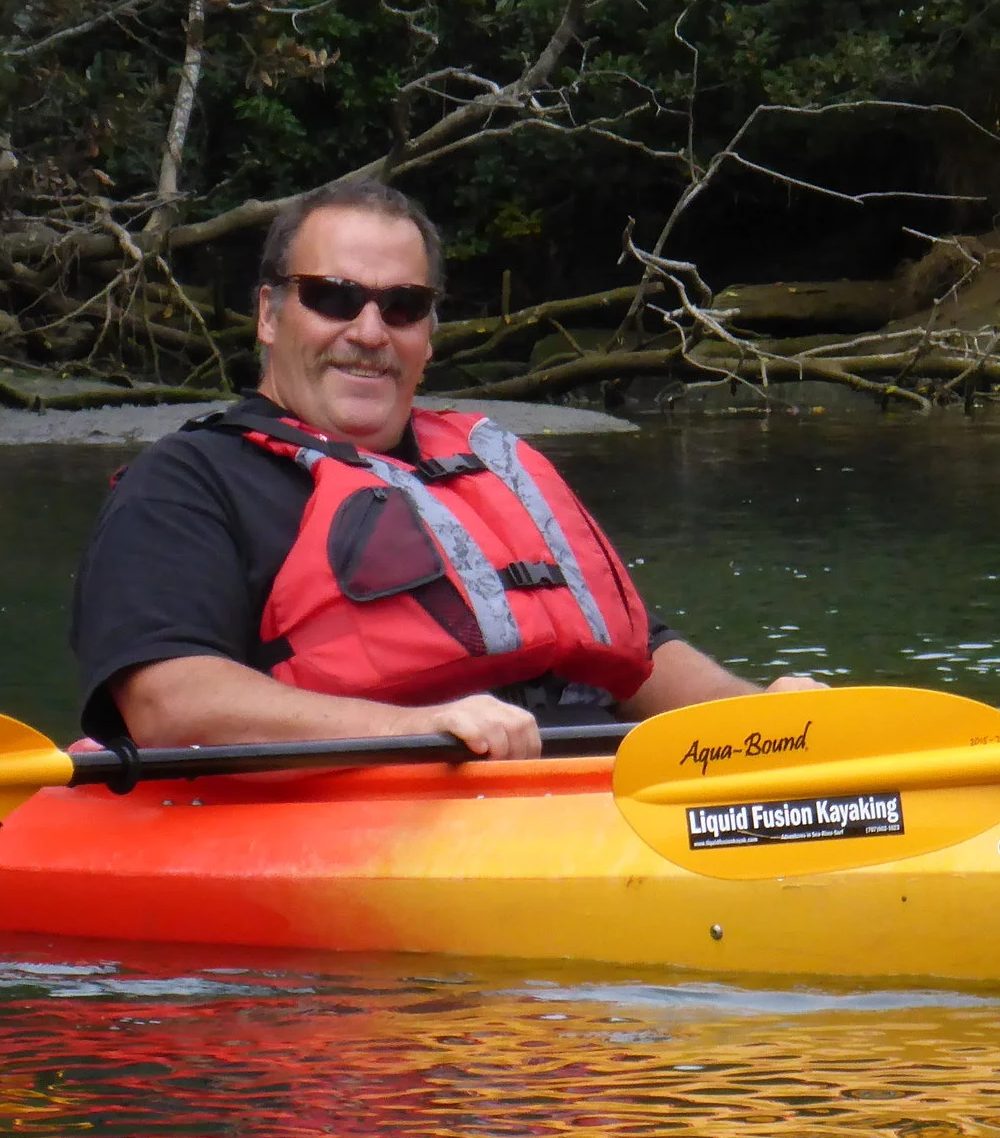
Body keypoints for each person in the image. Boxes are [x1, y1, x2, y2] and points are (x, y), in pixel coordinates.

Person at [71, 178, 820, 761]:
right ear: (270, 314)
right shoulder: (186, 482)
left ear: (429, 332)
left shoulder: (493, 463)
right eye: (334, 299)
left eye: (402, 307)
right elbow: (171, 704)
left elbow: (640, 655)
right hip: (374, 805)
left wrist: (765, 723)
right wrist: (422, 726)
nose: (368, 333)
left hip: (583, 785)